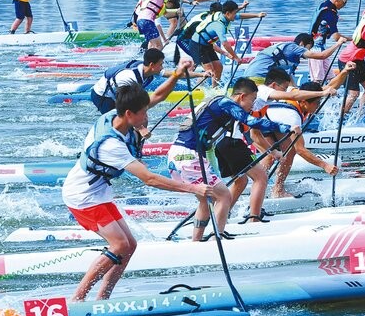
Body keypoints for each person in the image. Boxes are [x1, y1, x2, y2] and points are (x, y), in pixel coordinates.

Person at [64, 84, 213, 301]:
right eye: (143, 113)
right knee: (120, 245)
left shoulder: (114, 115)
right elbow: (149, 179)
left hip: (98, 192)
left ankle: (103, 299)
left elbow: (158, 96)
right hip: (82, 196)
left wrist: (178, 75)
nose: (146, 117)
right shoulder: (111, 145)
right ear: (129, 114)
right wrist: (194, 188)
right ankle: (77, 299)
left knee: (130, 246)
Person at [167, 78, 294, 241]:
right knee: (223, 196)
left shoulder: (218, 103)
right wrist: (281, 127)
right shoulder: (225, 103)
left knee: (206, 200)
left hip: (176, 155)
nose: (253, 105)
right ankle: (217, 238)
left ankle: (196, 242)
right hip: (189, 156)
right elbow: (250, 121)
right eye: (252, 100)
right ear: (242, 96)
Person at [250, 81, 341, 199]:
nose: (318, 106)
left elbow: (319, 90)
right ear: (303, 102)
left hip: (270, 121)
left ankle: (260, 184)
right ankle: (275, 189)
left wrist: (343, 74)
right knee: (286, 152)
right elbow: (300, 150)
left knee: (278, 154)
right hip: (256, 127)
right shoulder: (293, 117)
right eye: (317, 103)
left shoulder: (294, 91)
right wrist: (325, 166)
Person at [176, 0, 266, 86]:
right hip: (197, 45)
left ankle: (214, 88)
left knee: (219, 66)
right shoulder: (219, 25)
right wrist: (235, 57)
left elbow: (240, 15)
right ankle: (199, 88)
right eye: (234, 13)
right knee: (209, 71)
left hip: (207, 45)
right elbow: (225, 44)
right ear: (227, 13)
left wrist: (257, 15)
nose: (236, 15)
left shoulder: (224, 15)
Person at [90, 48, 200, 114]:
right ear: (152, 65)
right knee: (118, 121)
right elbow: (123, 104)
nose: (162, 67)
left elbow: (175, 74)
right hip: (103, 96)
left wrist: (202, 74)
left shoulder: (149, 69)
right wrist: (140, 127)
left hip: (117, 94)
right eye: (161, 64)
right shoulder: (128, 77)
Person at [308, 0, 365, 81]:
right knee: (318, 81)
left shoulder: (326, 3)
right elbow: (336, 37)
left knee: (330, 78)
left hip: (322, 48)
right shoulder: (330, 14)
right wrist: (354, 38)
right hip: (314, 50)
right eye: (344, 2)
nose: (344, 5)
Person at [243, 33, 346, 81]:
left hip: (248, 76)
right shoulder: (294, 47)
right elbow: (322, 55)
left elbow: (288, 79)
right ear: (302, 43)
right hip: (259, 76)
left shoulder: (292, 57)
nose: (308, 51)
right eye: (308, 48)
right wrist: (338, 43)